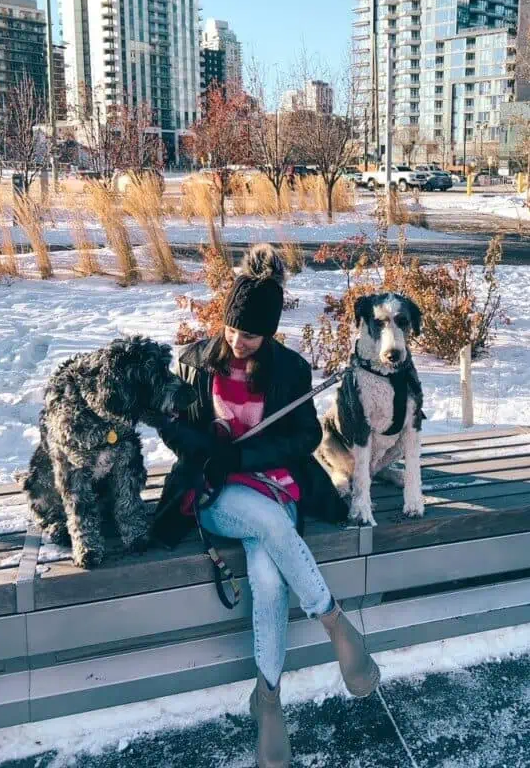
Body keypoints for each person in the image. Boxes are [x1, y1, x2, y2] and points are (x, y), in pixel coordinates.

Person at [153, 244, 380, 768]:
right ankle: (336, 625)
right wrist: (212, 450)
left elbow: (303, 437)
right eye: (232, 329)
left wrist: (246, 453)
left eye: (250, 335)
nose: (236, 341)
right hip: (213, 495)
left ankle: (269, 701)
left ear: (270, 333)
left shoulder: (290, 371)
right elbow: (174, 431)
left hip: (274, 484)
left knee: (272, 577)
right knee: (269, 523)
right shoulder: (194, 363)